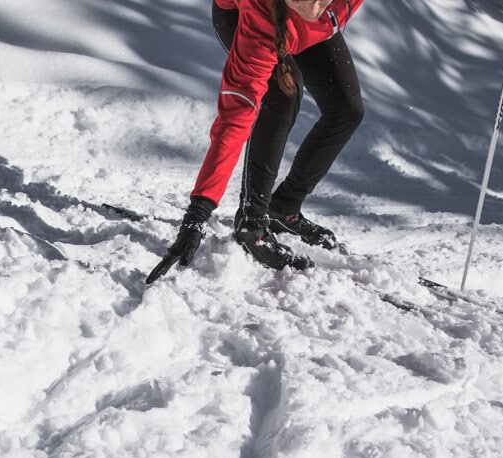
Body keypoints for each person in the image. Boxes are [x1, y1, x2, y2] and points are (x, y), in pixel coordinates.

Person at [147, 0, 365, 284]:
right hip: (246, 16)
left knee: (346, 111)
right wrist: (197, 215)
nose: (316, 6)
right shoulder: (261, 19)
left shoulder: (318, 9)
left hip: (304, 28)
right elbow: (235, 118)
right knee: (284, 98)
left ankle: (283, 208)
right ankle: (253, 224)